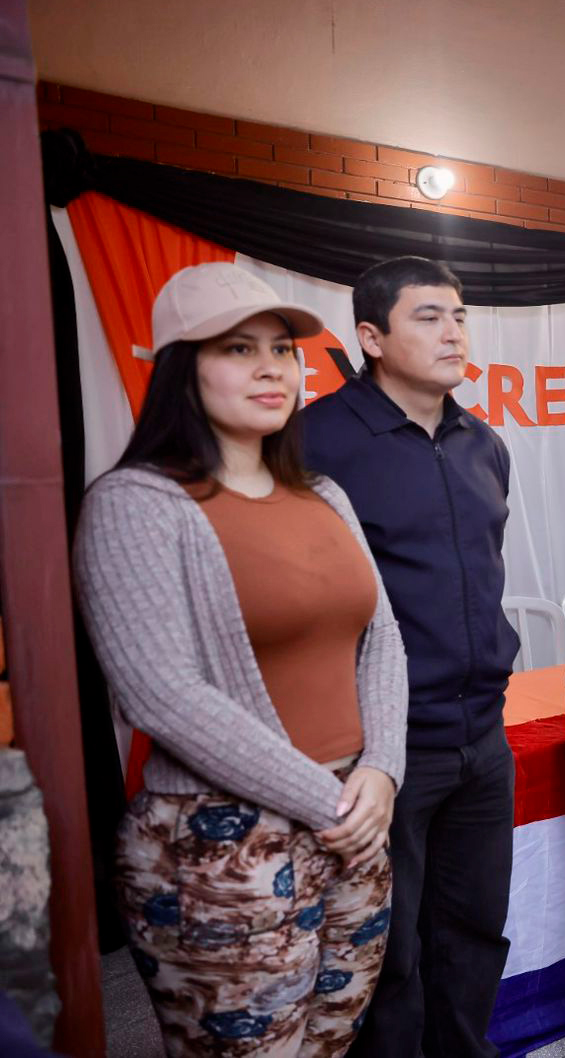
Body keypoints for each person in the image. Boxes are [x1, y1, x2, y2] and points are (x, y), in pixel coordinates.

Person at [74, 263, 407, 1056]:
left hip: (355, 825)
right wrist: (329, 801)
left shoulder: (323, 494)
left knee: (329, 1044)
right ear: (181, 370)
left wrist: (382, 770)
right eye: (237, 349)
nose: (271, 369)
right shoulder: (133, 503)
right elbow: (161, 694)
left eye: (282, 349)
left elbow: (382, 636)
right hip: (218, 847)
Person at [302, 257, 519, 1058]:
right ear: (371, 337)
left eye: (459, 315)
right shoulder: (316, 443)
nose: (453, 332)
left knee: (475, 931)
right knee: (384, 954)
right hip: (379, 749)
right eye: (428, 317)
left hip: (482, 739)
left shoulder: (482, 443)